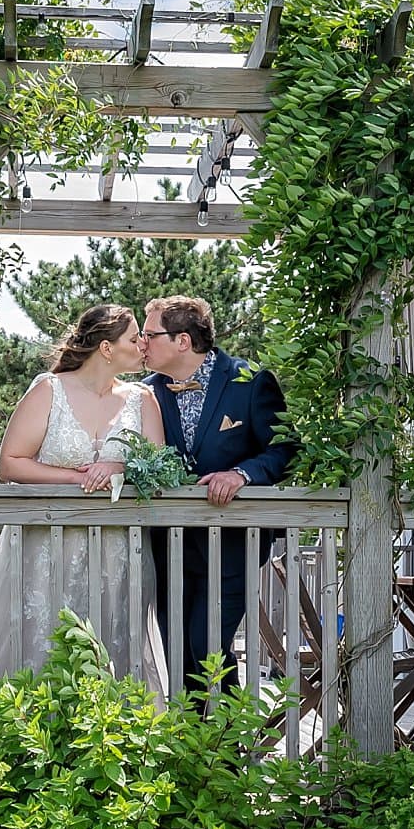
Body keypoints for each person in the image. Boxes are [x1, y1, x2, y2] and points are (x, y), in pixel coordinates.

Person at [0, 305, 170, 728]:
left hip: (115, 553)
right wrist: (75, 477)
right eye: (135, 339)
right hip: (43, 549)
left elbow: (161, 467)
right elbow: (11, 463)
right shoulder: (49, 390)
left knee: (112, 648)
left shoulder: (142, 400)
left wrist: (121, 468)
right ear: (107, 348)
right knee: (37, 645)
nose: (143, 345)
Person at [141, 295, 296, 695]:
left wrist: (243, 474)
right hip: (167, 547)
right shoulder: (144, 393)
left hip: (232, 544)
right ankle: (190, 750)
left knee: (207, 646)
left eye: (150, 334)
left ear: (182, 341)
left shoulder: (249, 380)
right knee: (176, 652)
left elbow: (284, 449)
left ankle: (223, 753)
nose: (142, 343)